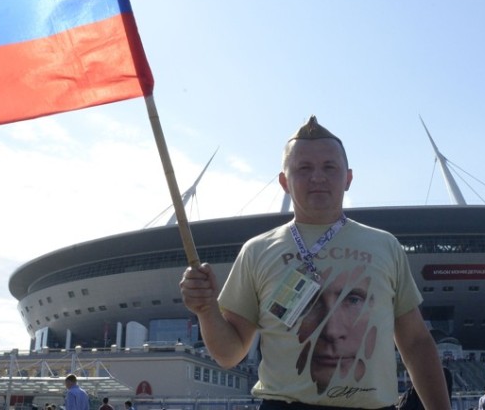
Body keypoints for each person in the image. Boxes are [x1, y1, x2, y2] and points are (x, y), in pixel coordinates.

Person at [180, 116, 451, 410]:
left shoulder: (385, 246)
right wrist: (206, 310)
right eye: (303, 168)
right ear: (284, 181)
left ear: (348, 178)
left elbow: (415, 343)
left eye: (329, 167)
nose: (317, 177)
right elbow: (229, 353)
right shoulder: (257, 251)